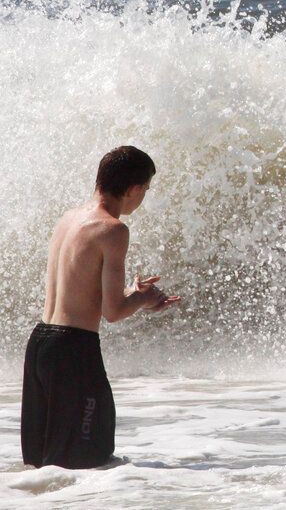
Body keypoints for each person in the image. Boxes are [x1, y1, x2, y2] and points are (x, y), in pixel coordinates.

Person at [21, 145, 181, 469]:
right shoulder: (114, 229)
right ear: (134, 189)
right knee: (87, 460)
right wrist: (145, 299)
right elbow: (113, 312)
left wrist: (130, 292)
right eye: (146, 190)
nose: (143, 197)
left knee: (41, 467)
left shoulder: (69, 219)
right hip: (73, 352)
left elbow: (80, 292)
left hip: (40, 345)